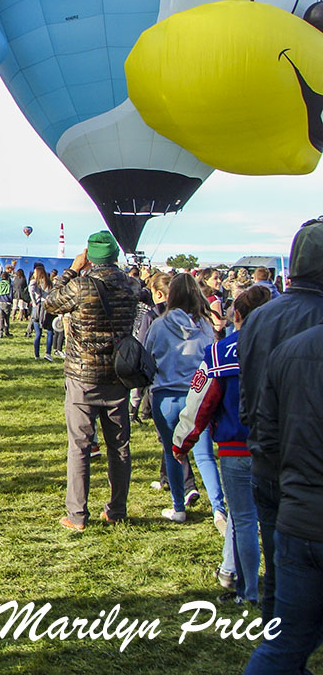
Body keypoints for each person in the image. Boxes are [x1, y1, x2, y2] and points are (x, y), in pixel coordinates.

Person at [240, 216, 323, 621]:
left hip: (264, 456)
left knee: (276, 564)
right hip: (309, 469)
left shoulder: (259, 316)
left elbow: (247, 383)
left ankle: (276, 632)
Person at [172, 285, 272, 607]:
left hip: (234, 448)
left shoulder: (219, 352)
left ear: (237, 316)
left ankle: (247, 590)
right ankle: (278, 587)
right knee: (273, 519)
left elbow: (200, 401)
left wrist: (182, 441)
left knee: (242, 521)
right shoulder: (285, 348)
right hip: (275, 448)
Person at [242, 322, 323, 674]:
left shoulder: (289, 350)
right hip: (299, 510)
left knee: (286, 641)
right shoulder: (291, 350)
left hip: (297, 513)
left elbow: (264, 434)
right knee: (286, 642)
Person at [44, 231, 139, 530]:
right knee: (119, 446)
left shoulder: (81, 286)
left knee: (80, 446)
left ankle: (77, 515)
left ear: (91, 257)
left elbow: (50, 302)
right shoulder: (131, 284)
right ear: (115, 256)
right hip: (118, 374)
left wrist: (72, 269)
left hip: (82, 375)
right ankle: (117, 509)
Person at [146, 274, 221, 526]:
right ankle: (219, 508)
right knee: (204, 455)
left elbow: (147, 357)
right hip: (197, 396)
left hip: (166, 396)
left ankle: (179, 507)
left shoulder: (159, 324)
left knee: (172, 453)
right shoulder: (206, 327)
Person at [29, 264, 54, 361]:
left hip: (38, 307)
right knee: (49, 331)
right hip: (47, 307)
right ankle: (48, 353)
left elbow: (31, 292)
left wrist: (34, 302)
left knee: (38, 333)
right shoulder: (50, 283)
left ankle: (37, 355)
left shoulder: (34, 283)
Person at [0, 271, 13, 337]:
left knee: (0, 318)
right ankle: (6, 331)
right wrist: (10, 301)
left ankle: (0, 332)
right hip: (7, 302)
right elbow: (11, 294)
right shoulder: (9, 284)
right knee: (6, 319)